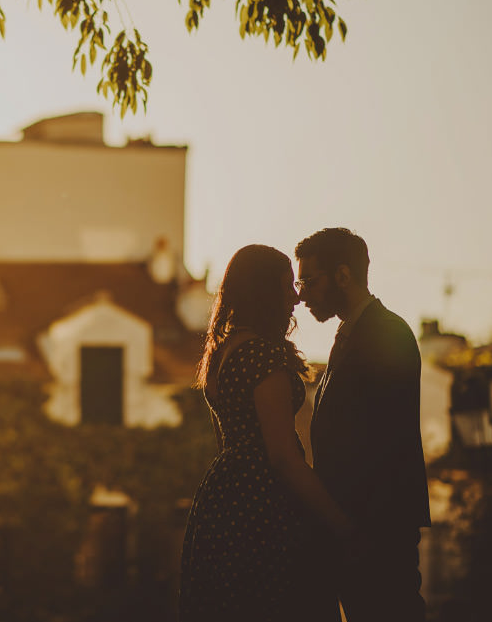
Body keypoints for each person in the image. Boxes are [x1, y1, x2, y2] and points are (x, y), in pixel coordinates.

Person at [179, 244, 351, 622]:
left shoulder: (222, 352)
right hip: (264, 503)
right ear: (265, 291)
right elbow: (283, 458)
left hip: (225, 499)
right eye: (286, 285)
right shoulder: (262, 357)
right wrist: (341, 524)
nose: (295, 296)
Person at [295, 228, 431, 622]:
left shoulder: (388, 333)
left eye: (310, 280)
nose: (302, 294)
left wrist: (358, 532)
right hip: (358, 529)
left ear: (343, 275)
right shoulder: (354, 332)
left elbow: (388, 443)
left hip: (377, 531)